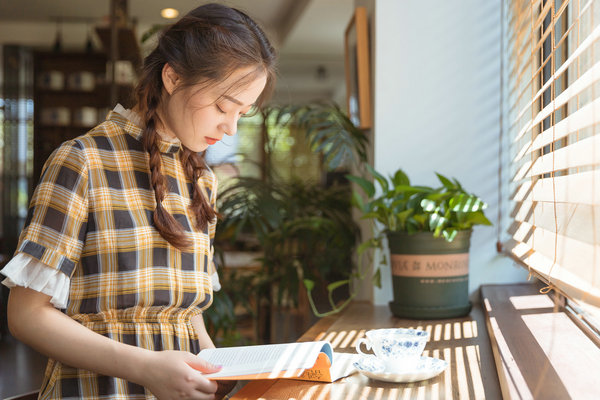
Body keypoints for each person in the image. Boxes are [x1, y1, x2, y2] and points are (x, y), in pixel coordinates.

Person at [0, 3, 276, 399]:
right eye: (221, 106)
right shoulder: (82, 161)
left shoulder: (201, 180)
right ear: (173, 77)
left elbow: (186, 313)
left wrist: (213, 365)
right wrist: (146, 368)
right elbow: (25, 317)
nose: (230, 128)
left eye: (242, 114)